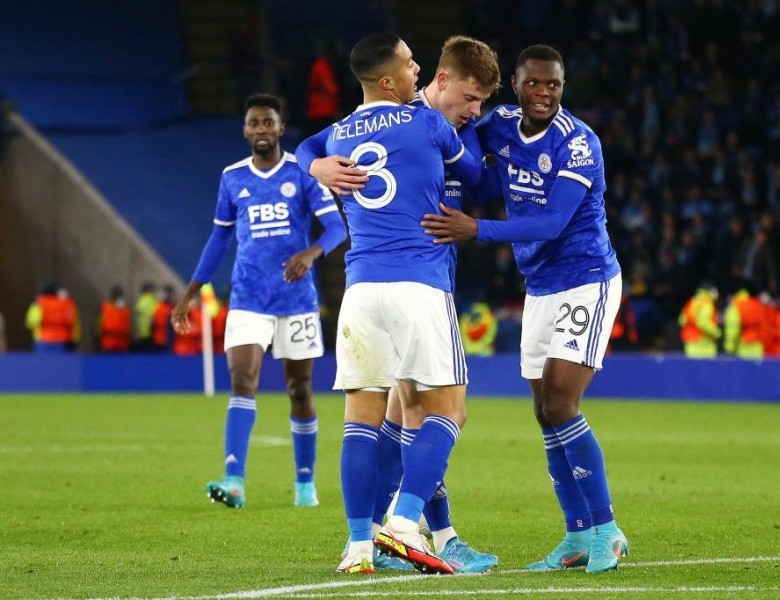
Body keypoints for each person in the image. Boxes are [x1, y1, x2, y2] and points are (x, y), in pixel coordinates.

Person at [421, 44, 629, 574]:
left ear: (563, 87)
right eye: (534, 84)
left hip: (586, 280)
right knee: (543, 412)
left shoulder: (579, 144)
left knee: (561, 404)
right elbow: (483, 175)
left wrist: (476, 228)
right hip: (539, 286)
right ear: (516, 84)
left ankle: (607, 529)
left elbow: (553, 222)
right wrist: (451, 142)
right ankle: (576, 535)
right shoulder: (502, 125)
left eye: (553, 85)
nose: (544, 94)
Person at [299, 34, 500, 574]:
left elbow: (306, 150)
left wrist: (315, 167)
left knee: (360, 421)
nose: (418, 68)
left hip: (360, 288)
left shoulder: (340, 132)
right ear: (389, 79)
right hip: (417, 283)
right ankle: (405, 525)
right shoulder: (427, 123)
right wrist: (475, 131)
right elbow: (478, 177)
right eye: (411, 63)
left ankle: (358, 547)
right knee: (449, 409)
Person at [172, 93, 347, 510]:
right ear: (245, 130)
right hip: (248, 296)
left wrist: (310, 254)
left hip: (297, 300)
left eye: (268, 122)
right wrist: (190, 294)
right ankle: (234, 481)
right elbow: (219, 238)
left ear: (281, 128)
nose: (261, 130)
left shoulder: (302, 174)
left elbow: (337, 227)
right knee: (242, 381)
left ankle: (305, 484)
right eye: (254, 123)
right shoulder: (233, 178)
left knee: (300, 388)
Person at [25, 283, 78, 354]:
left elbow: (32, 322)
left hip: (43, 339)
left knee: (44, 363)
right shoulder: (67, 303)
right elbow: (73, 323)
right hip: (63, 340)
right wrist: (74, 339)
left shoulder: (39, 303)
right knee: (61, 363)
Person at [678, 284, 721, 358]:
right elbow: (702, 322)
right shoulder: (707, 303)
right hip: (704, 343)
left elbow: (682, 320)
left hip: (690, 342)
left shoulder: (691, 301)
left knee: (692, 367)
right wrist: (717, 333)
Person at [723, 285, 765, 359]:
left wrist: (729, 348)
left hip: (744, 347)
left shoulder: (735, 307)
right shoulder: (757, 304)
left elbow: (732, 330)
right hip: (759, 347)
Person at [96, 285, 132, 353]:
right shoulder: (104, 307)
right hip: (109, 343)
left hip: (120, 343)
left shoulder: (105, 307)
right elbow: (97, 325)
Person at [133, 282, 159, 351]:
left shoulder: (141, 299)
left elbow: (138, 310)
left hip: (143, 326)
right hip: (152, 325)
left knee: (144, 344)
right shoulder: (153, 299)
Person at [151, 285, 176, 352]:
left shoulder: (172, 307)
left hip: (169, 339)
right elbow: (154, 322)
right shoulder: (158, 307)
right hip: (159, 339)